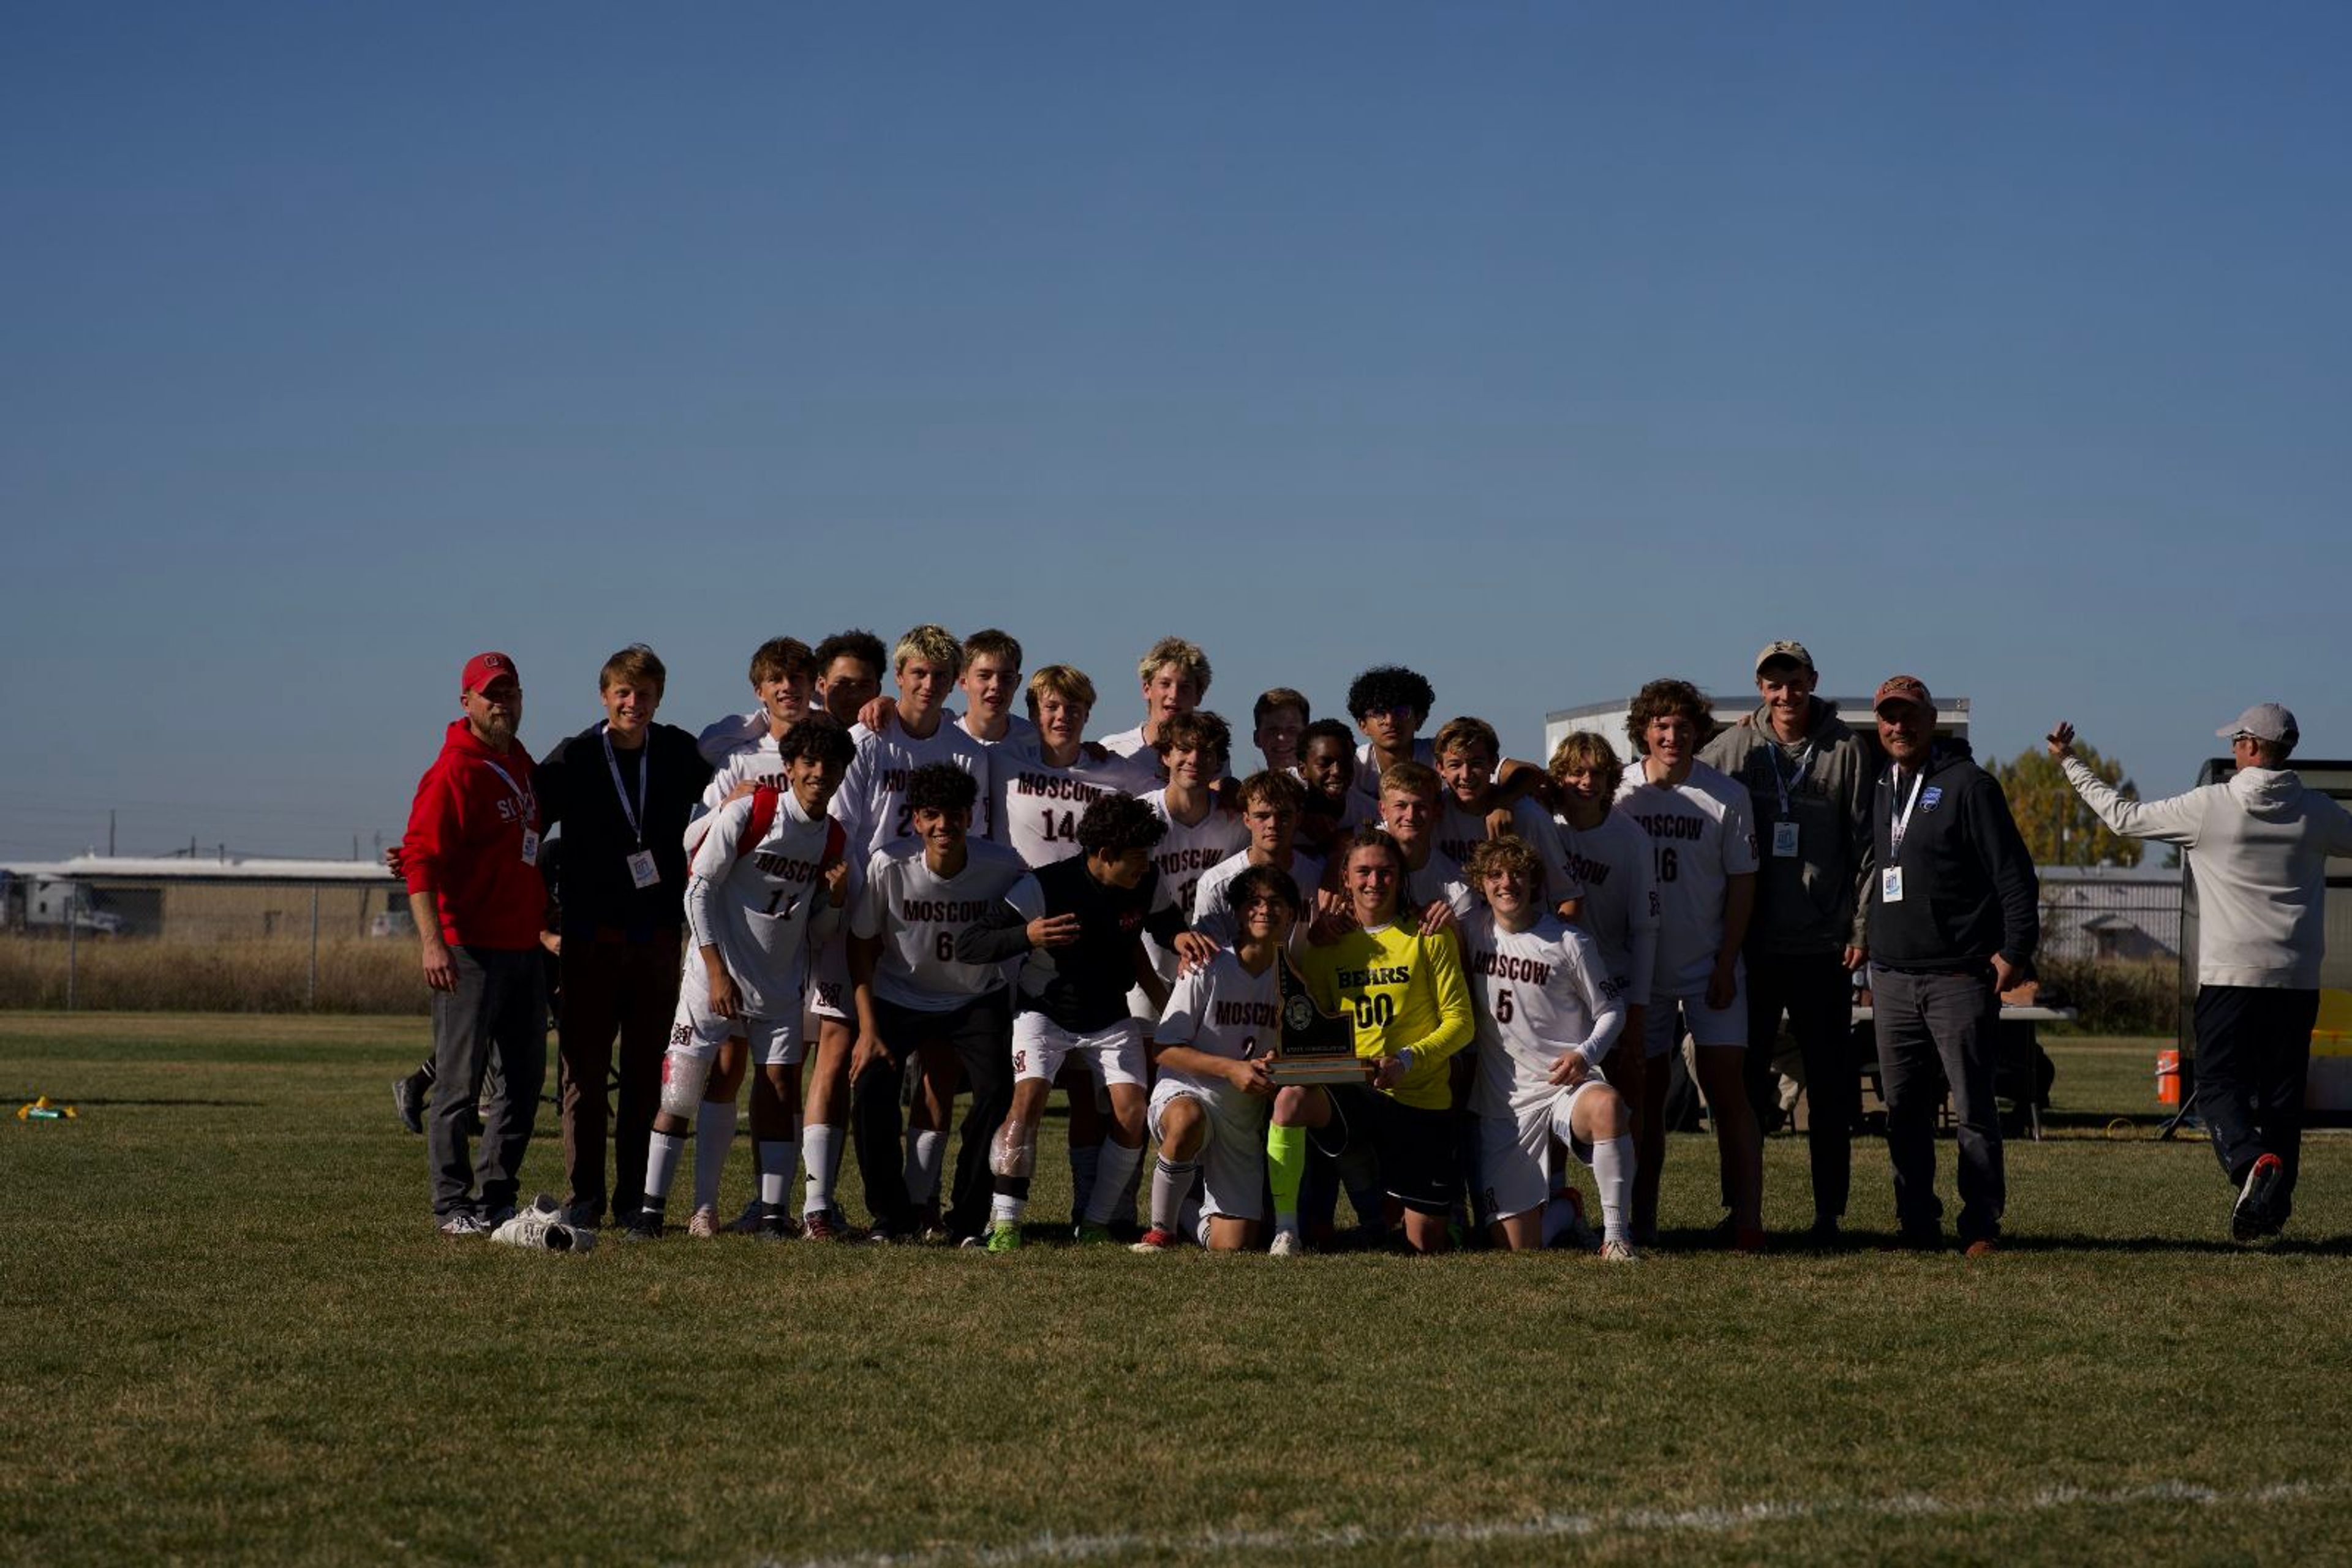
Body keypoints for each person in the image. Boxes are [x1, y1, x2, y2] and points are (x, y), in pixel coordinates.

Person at [2050, 703, 2352, 1242]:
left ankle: (2249, 1162)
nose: (2233, 749)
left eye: (2237, 740)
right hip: (2296, 978)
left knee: (2216, 1088)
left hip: (2230, 975)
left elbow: (2122, 817)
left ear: (2254, 747)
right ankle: (2272, 1209)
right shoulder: (2318, 812)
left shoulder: (2211, 806)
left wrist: (2071, 763)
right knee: (2283, 1097)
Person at [625, 716, 854, 1240]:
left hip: (776, 987)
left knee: (778, 1092)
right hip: (713, 979)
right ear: (791, 768)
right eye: (810, 762)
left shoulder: (832, 836)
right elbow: (696, 891)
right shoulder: (753, 812)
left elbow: (818, 930)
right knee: (681, 1091)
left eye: (832, 764)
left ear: (844, 772)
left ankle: (774, 1215)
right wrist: (715, 970)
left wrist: (836, 899)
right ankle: (651, 1210)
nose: (820, 772)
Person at [1697, 640, 1874, 1245]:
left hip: (1823, 946)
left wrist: (1861, 927)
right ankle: (1742, 1211)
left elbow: (1868, 849)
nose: (1784, 694)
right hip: (1751, 947)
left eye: (1794, 682)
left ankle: (1830, 1214)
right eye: (1773, 684)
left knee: (1828, 1086)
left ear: (1812, 681)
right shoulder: (1733, 749)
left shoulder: (1848, 749)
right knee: (1742, 1087)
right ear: (1760, 688)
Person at [532, 644, 712, 1231]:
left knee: (644, 1073)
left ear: (660, 697)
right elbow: (525, 826)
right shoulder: (576, 757)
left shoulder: (681, 752)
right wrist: (542, 920)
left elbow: (729, 785)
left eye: (646, 694)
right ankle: (585, 1193)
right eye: (623, 694)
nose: (634, 703)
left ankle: (635, 1200)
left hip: (658, 939)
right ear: (605, 696)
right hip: (588, 938)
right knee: (583, 1074)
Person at [955, 793, 1182, 1250]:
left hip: (1109, 1014)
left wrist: (1184, 937)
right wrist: (1027, 935)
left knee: (1132, 1113)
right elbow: (970, 945)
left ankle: (1095, 1221)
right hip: (1045, 1013)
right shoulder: (1045, 886)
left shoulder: (1147, 878)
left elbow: (1166, 924)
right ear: (1104, 856)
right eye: (1136, 859)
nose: (1145, 867)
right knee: (1028, 1101)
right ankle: (1006, 1224)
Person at [1867, 676, 2038, 1257]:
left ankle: (1981, 1225)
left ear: (1932, 719)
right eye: (1889, 717)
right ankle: (1916, 1221)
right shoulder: (1881, 786)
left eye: (1909, 715)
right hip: (1891, 977)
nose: (1899, 727)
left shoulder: (1970, 786)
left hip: (1958, 977)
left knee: (1972, 1109)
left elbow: (2014, 876)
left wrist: (2015, 953)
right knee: (1903, 1112)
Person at [1268, 827, 1476, 1256]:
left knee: (1424, 1244)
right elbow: (1321, 1029)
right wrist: (1291, 1054)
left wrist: (1406, 1059)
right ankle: (1287, 1231)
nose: (1374, 882)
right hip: (1357, 1092)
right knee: (1291, 1100)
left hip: (1418, 1095)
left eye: (1385, 872)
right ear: (1345, 878)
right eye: (1363, 872)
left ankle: (1425, 1213)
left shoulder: (1428, 934)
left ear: (1400, 877)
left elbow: (1461, 1023)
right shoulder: (1327, 944)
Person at [846, 763, 1031, 1242]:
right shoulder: (889, 863)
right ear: (916, 820)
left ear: (970, 817)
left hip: (975, 997)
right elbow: (861, 945)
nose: (943, 825)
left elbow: (1034, 907)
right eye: (932, 815)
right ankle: (892, 1217)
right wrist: (867, 1030)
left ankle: (967, 1219)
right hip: (899, 994)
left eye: (954, 815)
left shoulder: (1004, 864)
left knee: (995, 1094)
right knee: (870, 1091)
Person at [401, 651, 549, 1237]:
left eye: (510, 691)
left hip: (523, 946)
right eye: (490, 693)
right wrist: (433, 944)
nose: (502, 702)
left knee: (522, 1081)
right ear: (466, 702)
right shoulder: (452, 772)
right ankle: (452, 1205)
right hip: (469, 950)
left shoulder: (519, 760)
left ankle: (497, 1198)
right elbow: (420, 860)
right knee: (461, 1085)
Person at [1615, 678, 1763, 1250]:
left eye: (1682, 725)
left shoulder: (1726, 794)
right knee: (1644, 1099)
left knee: (1727, 1091)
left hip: (1709, 966)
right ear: (1644, 731)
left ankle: (1747, 1218)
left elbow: (1742, 885)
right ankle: (1639, 1218)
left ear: (1699, 731)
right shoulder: (1621, 792)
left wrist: (1727, 961)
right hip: (1644, 972)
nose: (1672, 735)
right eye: (1661, 725)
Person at [1459, 837, 1637, 1259]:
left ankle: (1616, 1237)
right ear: (1481, 884)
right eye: (1496, 875)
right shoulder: (1470, 930)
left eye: (1518, 873)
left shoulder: (1570, 942)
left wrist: (1585, 1055)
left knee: (1608, 1107)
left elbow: (1613, 1010)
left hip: (1564, 1083)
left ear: (1535, 881)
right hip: (1505, 1101)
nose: (1508, 883)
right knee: (1518, 1247)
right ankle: (1566, 1208)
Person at [1135, 864, 1300, 1253]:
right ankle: (1160, 1231)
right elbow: (1164, 1048)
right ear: (1239, 913)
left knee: (1235, 1245)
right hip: (1187, 1092)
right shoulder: (1206, 965)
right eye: (1254, 902)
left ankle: (1188, 1212)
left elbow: (1291, 1052)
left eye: (1276, 903)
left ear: (1292, 913)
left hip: (1241, 1113)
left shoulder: (1293, 981)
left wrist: (1278, 1061)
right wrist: (1232, 1068)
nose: (1264, 910)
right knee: (1188, 1120)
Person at [1432, 716, 1583, 921]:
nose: (1466, 775)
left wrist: (1553, 946)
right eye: (1455, 765)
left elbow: (1569, 897)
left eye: (1476, 763)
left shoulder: (1529, 816)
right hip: (1460, 942)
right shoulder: (1432, 814)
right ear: (1440, 768)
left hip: (1522, 944)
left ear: (1494, 763)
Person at [1099, 636, 1212, 762]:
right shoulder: (1114, 749)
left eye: (1185, 688)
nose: (1174, 695)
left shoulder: (1210, 757)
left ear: (1198, 696)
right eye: (1165, 684)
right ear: (1147, 690)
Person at [1251, 688, 1311, 775]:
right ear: (1257, 738)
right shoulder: (1247, 789)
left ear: (1308, 737)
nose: (1282, 737)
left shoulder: (1325, 788)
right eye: (1272, 730)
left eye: (1292, 729)